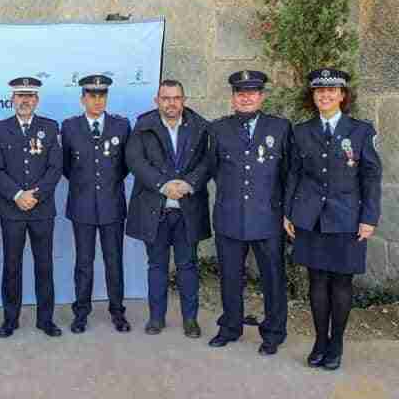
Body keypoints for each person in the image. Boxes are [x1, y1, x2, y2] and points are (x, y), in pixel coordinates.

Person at [284, 68, 381, 371]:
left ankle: (336, 342)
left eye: (331, 90)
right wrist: (288, 211)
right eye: (319, 91)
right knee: (317, 281)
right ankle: (319, 341)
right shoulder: (301, 132)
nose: (324, 95)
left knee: (341, 283)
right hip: (310, 218)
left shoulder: (361, 131)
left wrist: (369, 218)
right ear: (312, 96)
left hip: (347, 220)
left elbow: (371, 177)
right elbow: (293, 175)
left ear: (342, 95)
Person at [207, 70, 291, 355]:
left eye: (252, 92)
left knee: (273, 279)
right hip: (230, 216)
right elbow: (208, 168)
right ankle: (230, 327)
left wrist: (288, 213)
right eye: (240, 93)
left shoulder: (280, 128)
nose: (246, 97)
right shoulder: (218, 129)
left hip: (267, 217)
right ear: (232, 98)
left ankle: (274, 333)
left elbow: (289, 175)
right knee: (230, 277)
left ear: (261, 96)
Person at [125, 79, 211, 338]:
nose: (171, 103)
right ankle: (156, 318)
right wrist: (163, 185)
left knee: (187, 266)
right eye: (165, 98)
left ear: (183, 100)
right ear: (157, 101)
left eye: (176, 98)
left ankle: (190, 320)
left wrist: (189, 184)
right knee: (157, 266)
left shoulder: (200, 126)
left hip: (188, 209)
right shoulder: (143, 126)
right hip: (156, 209)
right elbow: (135, 160)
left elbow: (208, 161)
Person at [0, 76, 63, 338]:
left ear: (37, 100)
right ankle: (10, 319)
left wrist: (36, 195)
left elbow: (56, 168)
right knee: (12, 266)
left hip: (42, 210)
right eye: (20, 96)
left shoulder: (50, 127)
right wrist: (18, 195)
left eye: (30, 96)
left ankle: (46, 320)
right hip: (12, 210)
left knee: (44, 265)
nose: (25, 100)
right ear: (12, 100)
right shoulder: (0, 129)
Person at [61, 74, 131, 334]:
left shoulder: (121, 126)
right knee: (84, 263)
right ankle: (81, 313)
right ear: (83, 99)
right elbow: (67, 167)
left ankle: (117, 312)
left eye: (102, 96)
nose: (97, 100)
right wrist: (86, 186)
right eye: (92, 96)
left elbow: (124, 166)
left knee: (114, 261)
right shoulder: (69, 127)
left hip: (112, 204)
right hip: (82, 205)